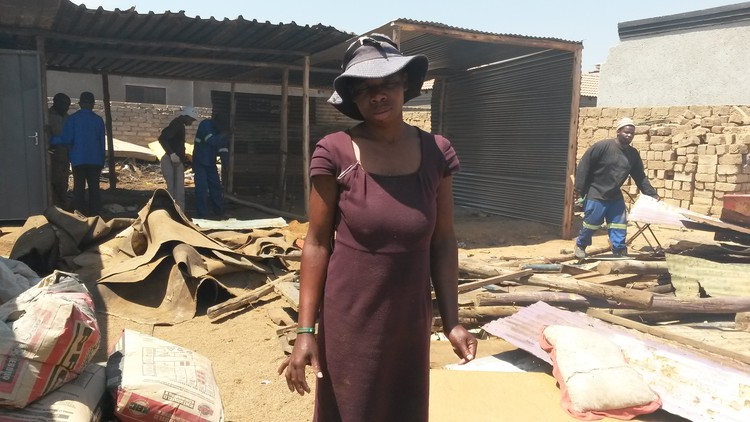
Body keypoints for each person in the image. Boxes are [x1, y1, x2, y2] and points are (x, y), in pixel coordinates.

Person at [278, 34, 477, 422]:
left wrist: (452, 321)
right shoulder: (333, 151)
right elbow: (317, 243)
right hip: (351, 318)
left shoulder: (438, 152)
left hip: (409, 318)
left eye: (386, 83)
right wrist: (305, 330)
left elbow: (443, 240)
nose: (378, 95)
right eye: (365, 89)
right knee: (352, 408)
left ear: (405, 84)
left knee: (403, 409)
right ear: (353, 97)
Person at [573, 117, 660, 258]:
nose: (629, 135)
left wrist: (651, 194)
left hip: (614, 195)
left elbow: (639, 176)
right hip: (596, 192)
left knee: (619, 225)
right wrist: (579, 189)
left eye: (632, 133)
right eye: (626, 132)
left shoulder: (632, 154)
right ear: (618, 132)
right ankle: (581, 245)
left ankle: (619, 251)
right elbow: (584, 165)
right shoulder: (602, 147)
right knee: (591, 223)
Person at [59, 91, 106, 216]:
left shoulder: (72, 119)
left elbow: (66, 139)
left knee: (79, 188)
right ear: (93, 104)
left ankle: (79, 213)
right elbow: (102, 142)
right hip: (95, 160)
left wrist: (50, 139)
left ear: (80, 104)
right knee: (94, 188)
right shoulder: (98, 120)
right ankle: (95, 213)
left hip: (78, 159)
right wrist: (102, 160)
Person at [158, 106, 199, 210]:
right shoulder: (177, 124)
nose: (191, 123)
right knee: (173, 190)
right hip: (170, 160)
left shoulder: (179, 124)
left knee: (178, 190)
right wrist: (172, 154)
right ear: (187, 116)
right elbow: (162, 138)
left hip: (176, 160)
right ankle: (172, 212)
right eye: (191, 120)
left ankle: (178, 212)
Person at [192, 113, 229, 218]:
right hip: (200, 162)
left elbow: (223, 149)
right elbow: (211, 140)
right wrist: (224, 134)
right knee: (202, 188)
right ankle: (202, 214)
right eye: (221, 126)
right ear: (216, 122)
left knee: (216, 187)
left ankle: (219, 212)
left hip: (210, 163)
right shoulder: (205, 125)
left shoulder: (221, 130)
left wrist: (225, 164)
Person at [47, 93, 71, 209]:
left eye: (68, 105)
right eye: (64, 104)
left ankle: (62, 205)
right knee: (53, 181)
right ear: (56, 103)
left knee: (63, 181)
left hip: (65, 155)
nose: (66, 107)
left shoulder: (67, 117)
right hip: (52, 155)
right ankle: (53, 206)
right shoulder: (47, 116)